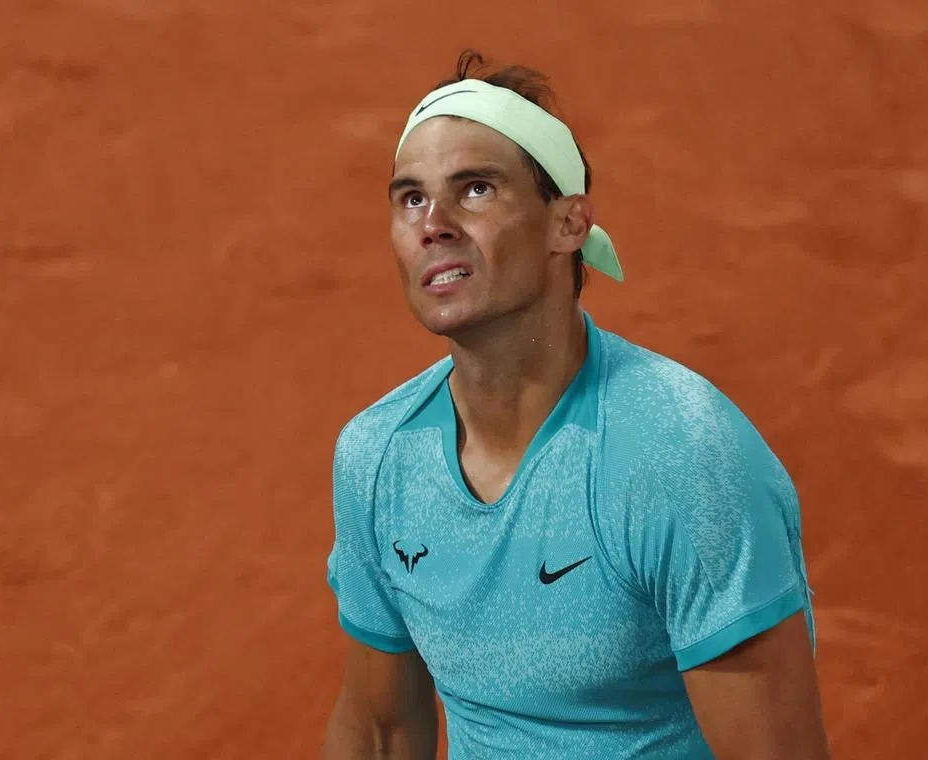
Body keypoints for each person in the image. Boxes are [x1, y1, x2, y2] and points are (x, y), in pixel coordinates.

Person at [323, 50, 832, 760]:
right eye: (411, 198)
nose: (432, 221)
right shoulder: (378, 457)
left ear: (568, 224)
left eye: (475, 189)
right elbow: (381, 728)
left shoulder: (680, 453)